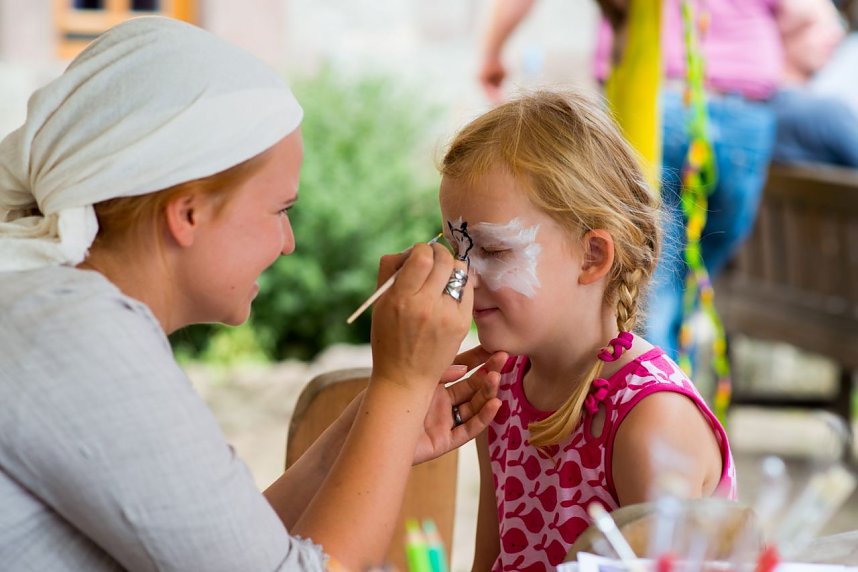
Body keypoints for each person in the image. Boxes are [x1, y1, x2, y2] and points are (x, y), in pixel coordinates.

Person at [0, 17, 507, 572]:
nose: (287, 243)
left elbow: (236, 553)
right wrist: (400, 386)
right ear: (187, 213)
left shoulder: (56, 312)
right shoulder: (79, 336)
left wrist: (374, 428)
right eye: (279, 211)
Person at [442, 90, 735, 571]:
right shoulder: (500, 389)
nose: (464, 276)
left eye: (493, 252)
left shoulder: (650, 422)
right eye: (458, 250)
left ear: (592, 256)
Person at [478, 0, 781, 360]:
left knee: (652, 281)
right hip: (742, 108)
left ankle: (654, 387)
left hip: (656, 97)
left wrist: (492, 53)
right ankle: (663, 384)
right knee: (669, 282)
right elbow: (811, 22)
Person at [771, 0, 858, 168]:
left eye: (837, 23)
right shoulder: (828, 114)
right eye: (818, 26)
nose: (835, 34)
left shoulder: (751, 107)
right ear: (783, 32)